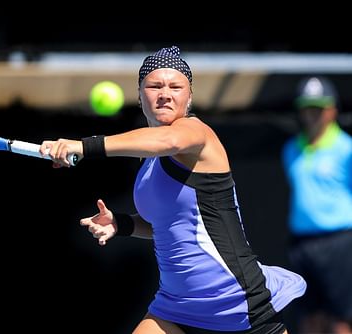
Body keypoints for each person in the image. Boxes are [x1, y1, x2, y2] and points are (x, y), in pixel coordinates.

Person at [40, 46, 306, 334]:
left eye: (175, 86)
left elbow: (168, 140)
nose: (165, 93)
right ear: (140, 95)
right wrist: (122, 223)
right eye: (154, 86)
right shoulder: (147, 159)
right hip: (176, 307)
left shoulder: (195, 132)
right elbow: (167, 225)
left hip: (234, 302)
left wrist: (84, 146)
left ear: (188, 97)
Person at [281, 76, 352, 334]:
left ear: (332, 110)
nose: (312, 114)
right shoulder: (291, 149)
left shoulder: (347, 149)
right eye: (307, 108)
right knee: (308, 320)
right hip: (302, 245)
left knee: (340, 320)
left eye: (318, 108)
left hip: (339, 243)